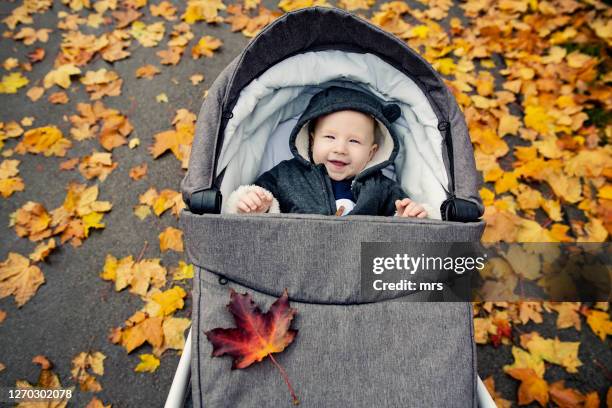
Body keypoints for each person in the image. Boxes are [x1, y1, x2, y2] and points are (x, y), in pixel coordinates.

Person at [225, 86, 431, 218]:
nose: (340, 149)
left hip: (357, 268)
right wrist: (257, 204)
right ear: (312, 140)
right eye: (330, 137)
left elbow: (399, 230)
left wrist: (407, 217)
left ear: (371, 152)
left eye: (354, 141)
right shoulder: (286, 176)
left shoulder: (381, 188)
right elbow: (262, 197)